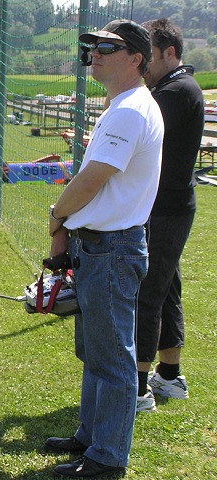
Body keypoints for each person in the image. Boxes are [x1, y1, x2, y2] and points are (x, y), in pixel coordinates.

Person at [43, 20, 164, 477]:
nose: (94, 52)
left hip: (112, 248)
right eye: (91, 46)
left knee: (112, 358)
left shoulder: (131, 110)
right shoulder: (123, 106)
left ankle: (107, 459)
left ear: (135, 58)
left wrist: (57, 215)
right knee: (97, 351)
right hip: (101, 247)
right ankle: (90, 437)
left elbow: (93, 179)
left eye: (107, 47)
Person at [134, 19, 204, 412]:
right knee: (166, 288)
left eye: (150, 55)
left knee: (148, 291)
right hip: (170, 207)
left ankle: (139, 387)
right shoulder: (174, 88)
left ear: (170, 53)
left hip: (165, 209)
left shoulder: (174, 91)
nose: (144, 64)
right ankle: (170, 376)